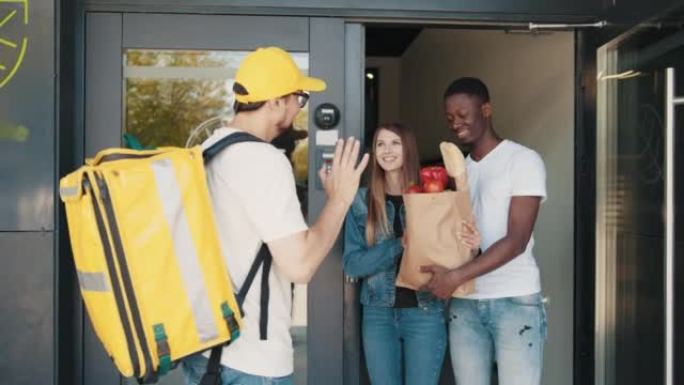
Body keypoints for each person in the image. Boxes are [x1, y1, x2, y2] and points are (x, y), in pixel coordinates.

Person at [181, 46, 369, 385]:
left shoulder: (206, 152)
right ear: (275, 101)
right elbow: (300, 265)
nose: (301, 107)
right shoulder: (261, 160)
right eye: (300, 97)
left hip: (205, 351)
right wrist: (340, 200)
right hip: (251, 362)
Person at [421, 77, 547, 385]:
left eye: (463, 115)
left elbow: (516, 241)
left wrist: (453, 277)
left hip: (514, 301)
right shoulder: (459, 171)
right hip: (465, 303)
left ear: (486, 109)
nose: (456, 124)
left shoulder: (522, 160)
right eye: (450, 118)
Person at [342, 123, 479, 385]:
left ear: (409, 149)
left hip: (424, 312)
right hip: (377, 315)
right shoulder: (361, 201)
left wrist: (472, 245)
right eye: (380, 144)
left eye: (395, 143)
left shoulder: (436, 197)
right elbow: (352, 265)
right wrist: (399, 244)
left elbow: (456, 253)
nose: (387, 150)